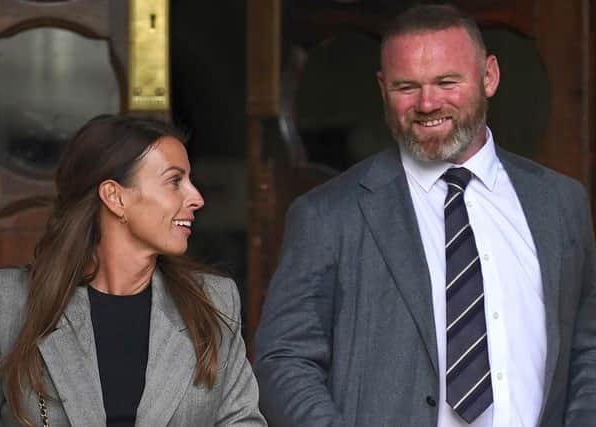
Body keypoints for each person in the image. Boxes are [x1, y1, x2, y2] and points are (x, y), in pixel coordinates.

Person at [253, 4, 595, 427]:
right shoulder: (328, 215)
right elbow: (284, 358)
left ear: (489, 76)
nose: (428, 102)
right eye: (406, 87)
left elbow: (587, 347)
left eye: (446, 82)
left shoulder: (560, 202)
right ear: (382, 88)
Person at [0, 114, 266, 426]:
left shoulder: (213, 301)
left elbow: (241, 420)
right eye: (175, 181)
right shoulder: (6, 302)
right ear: (115, 197)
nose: (197, 198)